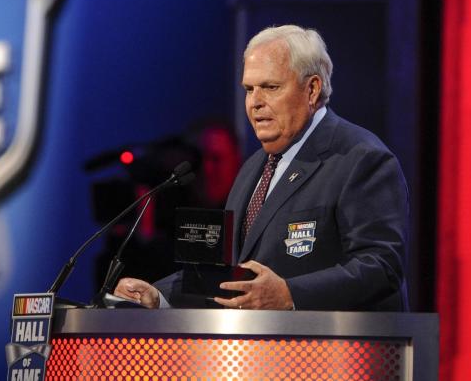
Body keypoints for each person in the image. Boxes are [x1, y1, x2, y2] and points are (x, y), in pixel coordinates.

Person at [113, 24, 409, 311]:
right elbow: (227, 272)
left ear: (312, 90)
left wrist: (290, 295)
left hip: (330, 356)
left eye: (270, 87)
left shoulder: (360, 159)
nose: (255, 102)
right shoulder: (253, 167)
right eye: (249, 89)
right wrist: (160, 296)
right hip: (255, 356)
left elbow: (382, 267)